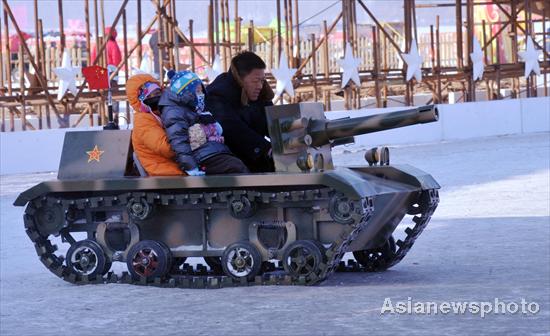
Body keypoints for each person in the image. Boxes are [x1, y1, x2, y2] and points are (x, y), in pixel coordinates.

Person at [159, 70, 250, 176]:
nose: (201, 94)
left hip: (210, 151)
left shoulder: (194, 108)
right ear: (187, 93)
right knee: (235, 167)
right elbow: (178, 140)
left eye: (201, 90)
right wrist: (191, 167)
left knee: (239, 163)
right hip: (201, 157)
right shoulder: (174, 112)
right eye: (197, 91)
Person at [206, 51, 275, 173]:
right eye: (255, 81)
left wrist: (289, 136)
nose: (260, 86)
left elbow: (272, 121)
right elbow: (231, 128)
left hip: (256, 158)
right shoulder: (217, 94)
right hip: (230, 164)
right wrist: (266, 149)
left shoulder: (259, 93)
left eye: (262, 80)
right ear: (241, 79)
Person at [126, 74, 184, 176]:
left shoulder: (161, 114)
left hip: (175, 167)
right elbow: (166, 148)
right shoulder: (143, 120)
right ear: (140, 99)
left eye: (158, 93)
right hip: (164, 172)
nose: (156, 97)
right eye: (150, 95)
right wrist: (193, 140)